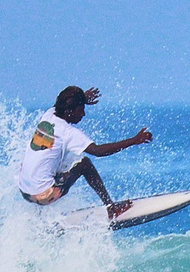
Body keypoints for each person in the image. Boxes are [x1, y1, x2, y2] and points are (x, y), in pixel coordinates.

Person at [17, 86, 153, 216]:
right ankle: (111, 208)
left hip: (25, 191)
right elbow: (98, 151)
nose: (83, 114)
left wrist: (82, 98)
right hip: (46, 196)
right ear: (69, 111)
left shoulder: (49, 115)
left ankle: (39, 215)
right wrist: (134, 140)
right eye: (80, 109)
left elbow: (61, 103)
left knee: (61, 160)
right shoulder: (67, 132)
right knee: (84, 164)